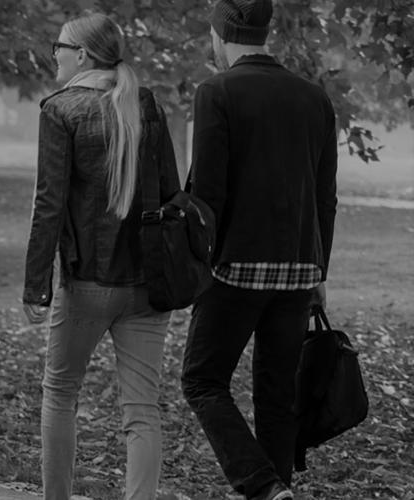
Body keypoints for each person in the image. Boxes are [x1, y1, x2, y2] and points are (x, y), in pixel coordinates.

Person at [181, 1, 338, 499]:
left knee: (202, 380)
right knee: (275, 394)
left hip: (235, 269)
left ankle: (261, 485)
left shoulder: (216, 91)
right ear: (265, 31)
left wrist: (197, 262)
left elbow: (208, 191)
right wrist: (318, 273)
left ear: (220, 34)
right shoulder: (314, 97)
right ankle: (278, 490)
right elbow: (324, 197)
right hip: (298, 270)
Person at [22, 13, 179, 500]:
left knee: (60, 394)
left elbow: (48, 205)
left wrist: (35, 286)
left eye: (60, 47)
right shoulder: (145, 104)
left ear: (83, 55)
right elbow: (173, 195)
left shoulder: (60, 109)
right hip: (148, 285)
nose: (55, 54)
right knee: (142, 410)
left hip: (86, 281)